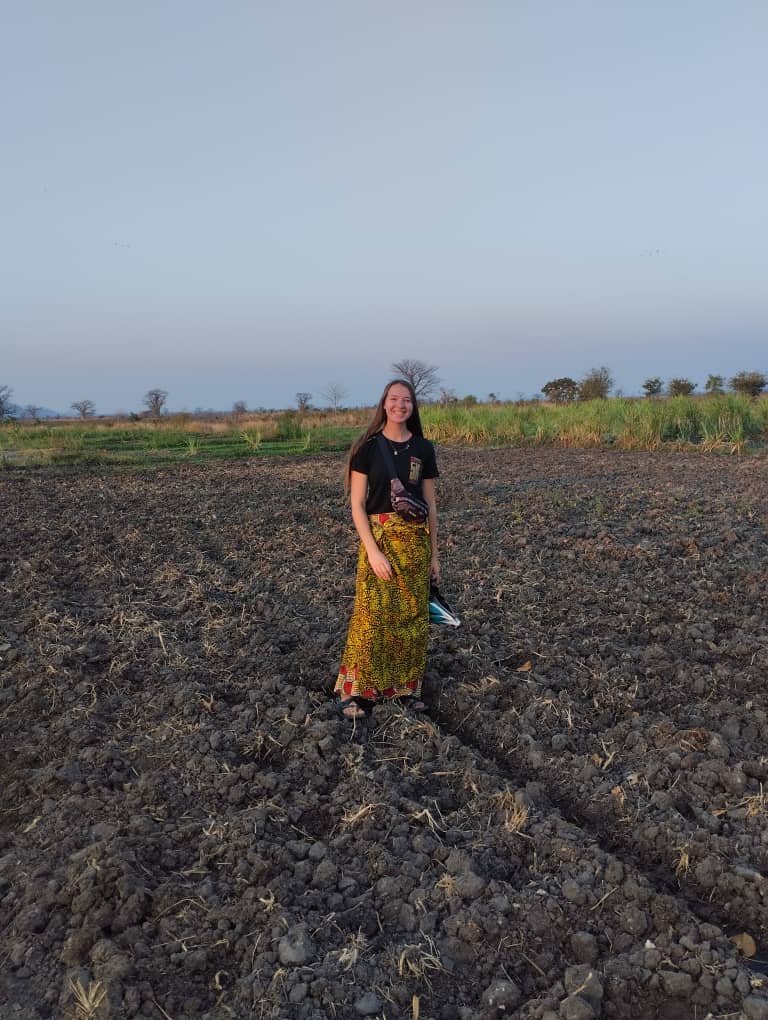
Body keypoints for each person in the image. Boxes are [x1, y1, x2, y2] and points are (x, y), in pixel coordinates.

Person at [335, 379, 440, 720]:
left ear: (413, 407)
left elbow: (431, 506)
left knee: (412, 617)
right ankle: (357, 692)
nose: (400, 405)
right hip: (378, 542)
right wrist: (373, 550)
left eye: (406, 400)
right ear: (384, 403)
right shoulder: (367, 447)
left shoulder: (423, 449)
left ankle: (406, 689)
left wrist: (435, 554)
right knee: (372, 616)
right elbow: (356, 505)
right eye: (394, 399)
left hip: (415, 545)